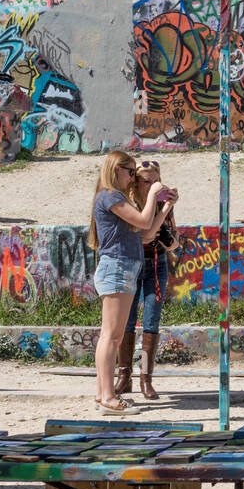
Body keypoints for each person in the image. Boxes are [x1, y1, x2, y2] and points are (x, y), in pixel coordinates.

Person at [89, 151, 168, 414]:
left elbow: (145, 234)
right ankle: (108, 396)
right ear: (116, 170)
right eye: (130, 171)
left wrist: (166, 207)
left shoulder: (115, 197)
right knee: (111, 337)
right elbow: (145, 221)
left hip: (122, 267)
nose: (133, 177)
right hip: (117, 267)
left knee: (111, 336)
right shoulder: (111, 195)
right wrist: (155, 193)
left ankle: (104, 395)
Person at [116, 159, 178, 400]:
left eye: (155, 181)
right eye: (146, 181)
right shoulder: (128, 203)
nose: (151, 186)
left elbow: (174, 242)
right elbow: (145, 234)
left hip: (156, 263)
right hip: (132, 263)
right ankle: (123, 377)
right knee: (127, 320)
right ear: (136, 182)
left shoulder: (164, 205)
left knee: (151, 318)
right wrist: (161, 213)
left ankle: (146, 379)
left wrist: (166, 218)